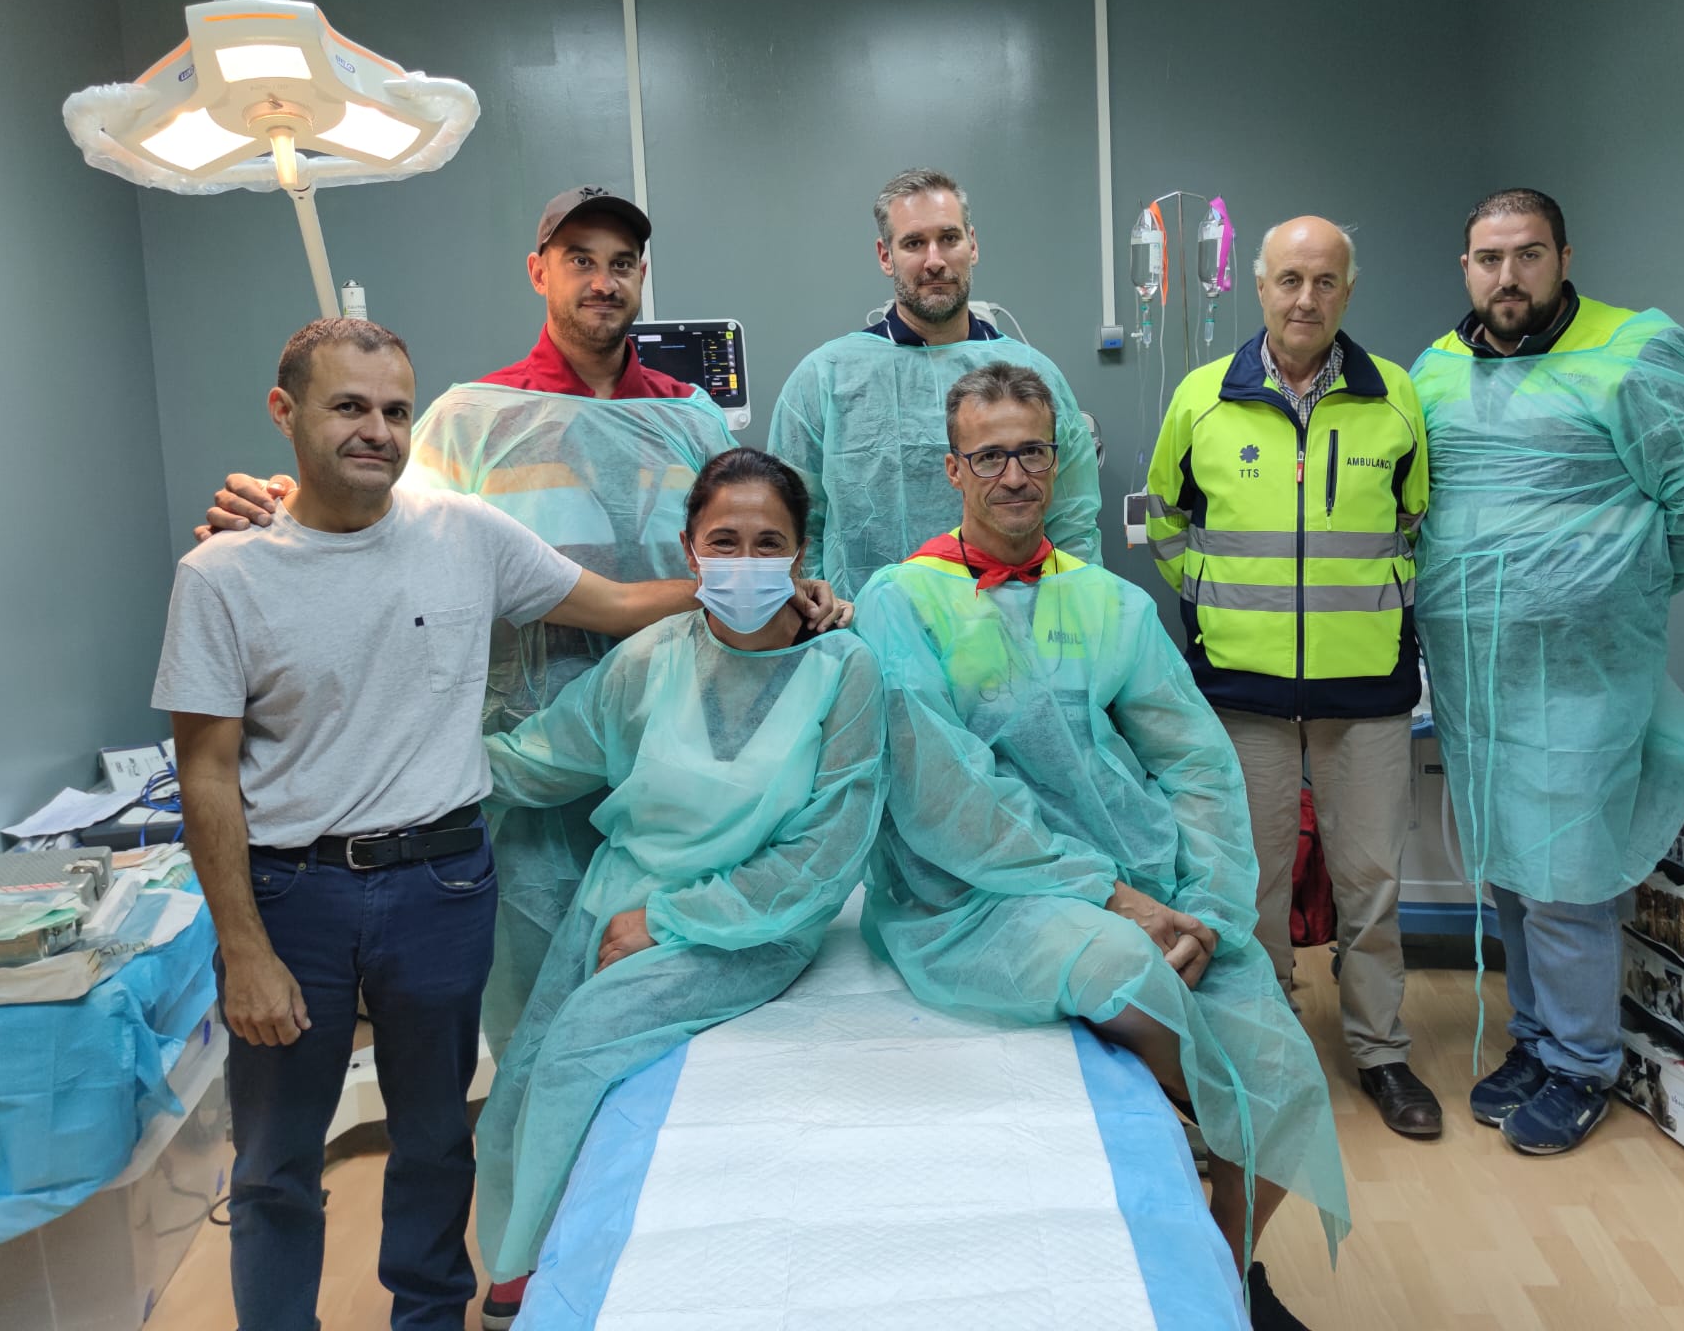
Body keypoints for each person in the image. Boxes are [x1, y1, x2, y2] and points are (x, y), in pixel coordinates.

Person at [195, 187, 761, 1326]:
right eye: (580, 260)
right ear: (538, 271)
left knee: (665, 1032)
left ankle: (659, 1261)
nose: (605, 282)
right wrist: (267, 506)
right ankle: (523, 1268)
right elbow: (365, 522)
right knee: (531, 1043)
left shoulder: (700, 424)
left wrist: (771, 586)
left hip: (679, 775)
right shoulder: (464, 419)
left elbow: (706, 565)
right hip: (516, 789)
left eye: (625, 263)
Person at [853, 362, 1347, 1331]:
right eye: (987, 455)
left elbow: (1195, 766)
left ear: (1057, 462)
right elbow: (943, 793)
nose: (1012, 475)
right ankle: (1197, 1218)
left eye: (1030, 451)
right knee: (1131, 974)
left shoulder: (1105, 603)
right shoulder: (899, 600)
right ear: (952, 470)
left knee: (1284, 1078)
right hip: (971, 895)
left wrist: (1205, 903)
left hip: (1145, 883)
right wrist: (1109, 897)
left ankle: (1220, 1266)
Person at [470, 448, 886, 1284]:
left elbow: (823, 855)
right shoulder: (651, 659)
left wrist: (668, 921)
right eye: (723, 541)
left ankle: (571, 1279)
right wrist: (403, 762)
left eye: (768, 544)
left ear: (801, 557)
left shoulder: (844, 670)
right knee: (520, 1082)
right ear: (689, 550)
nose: (743, 561)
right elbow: (540, 759)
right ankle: (518, 1273)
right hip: (611, 905)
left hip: (750, 925)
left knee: (578, 1054)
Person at [1412, 188, 1684, 1155]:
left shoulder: (1634, 351)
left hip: (1583, 669)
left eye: (1525, 255)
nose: (1504, 276)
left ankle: (1584, 1061)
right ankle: (1537, 1037)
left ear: (1563, 255)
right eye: (1486, 258)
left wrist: (1614, 589)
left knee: (1567, 875)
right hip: (1479, 672)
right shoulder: (1440, 368)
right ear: (1465, 267)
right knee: (1512, 870)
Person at [1145, 216, 1441, 1140]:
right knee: (1253, 881)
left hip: (1367, 696)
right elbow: (1166, 521)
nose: (1305, 298)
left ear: (1348, 291)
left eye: (1324, 281)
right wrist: (1219, 609)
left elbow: (1417, 525)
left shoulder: (1394, 397)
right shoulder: (1202, 399)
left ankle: (1381, 1052)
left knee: (1370, 881)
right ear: (1260, 287)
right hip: (1242, 694)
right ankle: (1263, 1041)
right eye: (1288, 280)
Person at [768, 167, 1102, 597]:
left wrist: (1073, 616)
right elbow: (789, 526)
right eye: (913, 243)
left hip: (1015, 636)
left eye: (949, 238)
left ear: (973, 244)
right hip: (867, 641)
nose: (935, 260)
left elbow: (1073, 523)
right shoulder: (824, 379)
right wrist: (819, 627)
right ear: (885, 254)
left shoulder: (1034, 376)